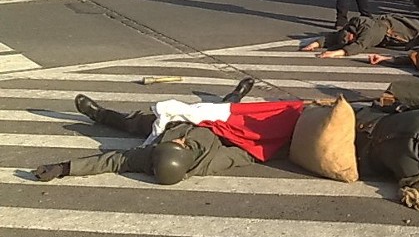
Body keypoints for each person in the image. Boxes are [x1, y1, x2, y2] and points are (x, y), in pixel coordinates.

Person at [32, 79, 271, 185]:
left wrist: (63, 168)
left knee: (133, 123)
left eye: (175, 143)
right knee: (225, 110)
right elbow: (250, 153)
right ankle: (237, 95)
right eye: (181, 144)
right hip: (219, 129)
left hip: (169, 125)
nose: (178, 140)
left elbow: (111, 161)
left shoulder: (152, 156)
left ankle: (99, 114)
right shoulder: (213, 161)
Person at [301, 14, 419, 57]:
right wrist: (316, 44)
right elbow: (333, 37)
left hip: (396, 31)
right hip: (387, 31)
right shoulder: (349, 28)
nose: (351, 41)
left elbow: (360, 45)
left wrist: (335, 53)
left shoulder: (366, 29)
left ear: (353, 35)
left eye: (350, 40)